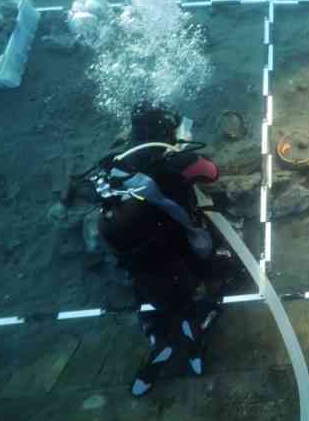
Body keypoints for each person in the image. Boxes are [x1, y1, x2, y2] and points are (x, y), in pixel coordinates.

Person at [93, 101, 237, 397]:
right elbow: (211, 173)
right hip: (181, 242)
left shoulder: (115, 163)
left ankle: (157, 338)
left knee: (148, 292)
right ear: (167, 130)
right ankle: (196, 329)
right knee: (224, 265)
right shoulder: (176, 161)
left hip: (138, 256)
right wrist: (181, 148)